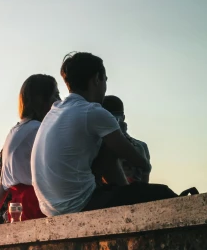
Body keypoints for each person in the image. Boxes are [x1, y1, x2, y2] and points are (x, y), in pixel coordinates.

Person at [31, 52, 177, 216]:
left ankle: (125, 191)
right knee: (163, 194)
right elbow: (128, 152)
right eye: (105, 80)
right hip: (80, 203)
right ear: (97, 79)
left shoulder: (54, 112)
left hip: (49, 209)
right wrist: (145, 165)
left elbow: (109, 154)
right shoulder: (93, 111)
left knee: (107, 148)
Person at [0, 74, 60, 226]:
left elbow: (2, 186)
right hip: (38, 209)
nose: (60, 101)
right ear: (41, 100)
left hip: (18, 211)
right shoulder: (38, 130)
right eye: (55, 95)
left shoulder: (14, 131)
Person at [102, 95, 150, 183]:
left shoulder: (97, 146)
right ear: (123, 117)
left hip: (111, 194)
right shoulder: (142, 146)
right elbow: (145, 182)